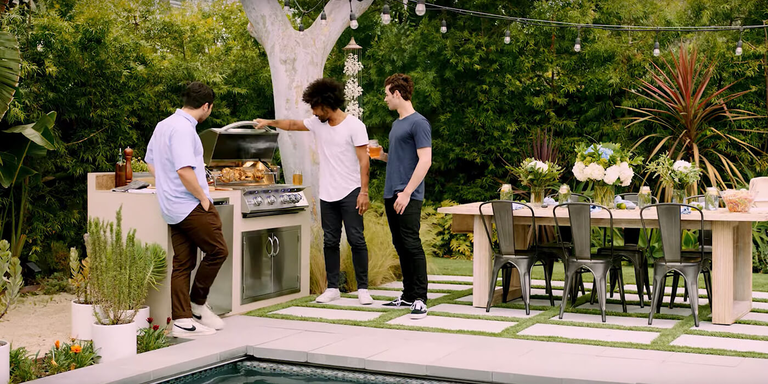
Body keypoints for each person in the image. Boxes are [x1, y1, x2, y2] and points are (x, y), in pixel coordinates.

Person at [253, 78, 373, 305]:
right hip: (327, 192)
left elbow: (364, 162)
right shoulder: (318, 123)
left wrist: (364, 192)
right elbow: (292, 125)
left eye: (315, 107)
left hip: (351, 191)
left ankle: (363, 289)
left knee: (357, 239)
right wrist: (270, 121)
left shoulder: (355, 126)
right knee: (330, 241)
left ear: (326, 104)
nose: (314, 112)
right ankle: (332, 288)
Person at [145, 81, 227, 338]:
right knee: (218, 251)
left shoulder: (164, 125)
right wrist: (202, 197)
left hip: (170, 205)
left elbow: (150, 162)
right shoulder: (183, 129)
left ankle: (181, 321)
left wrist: (166, 185)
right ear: (206, 106)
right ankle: (197, 305)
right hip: (190, 204)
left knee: (183, 263)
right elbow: (183, 169)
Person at [374, 73, 432, 319]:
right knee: (400, 245)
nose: (385, 99)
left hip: (407, 195)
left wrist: (407, 193)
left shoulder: (419, 123)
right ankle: (408, 295)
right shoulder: (397, 124)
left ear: (397, 94)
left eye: (387, 94)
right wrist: (382, 156)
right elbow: (400, 159)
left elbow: (425, 160)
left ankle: (420, 298)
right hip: (391, 193)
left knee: (411, 244)